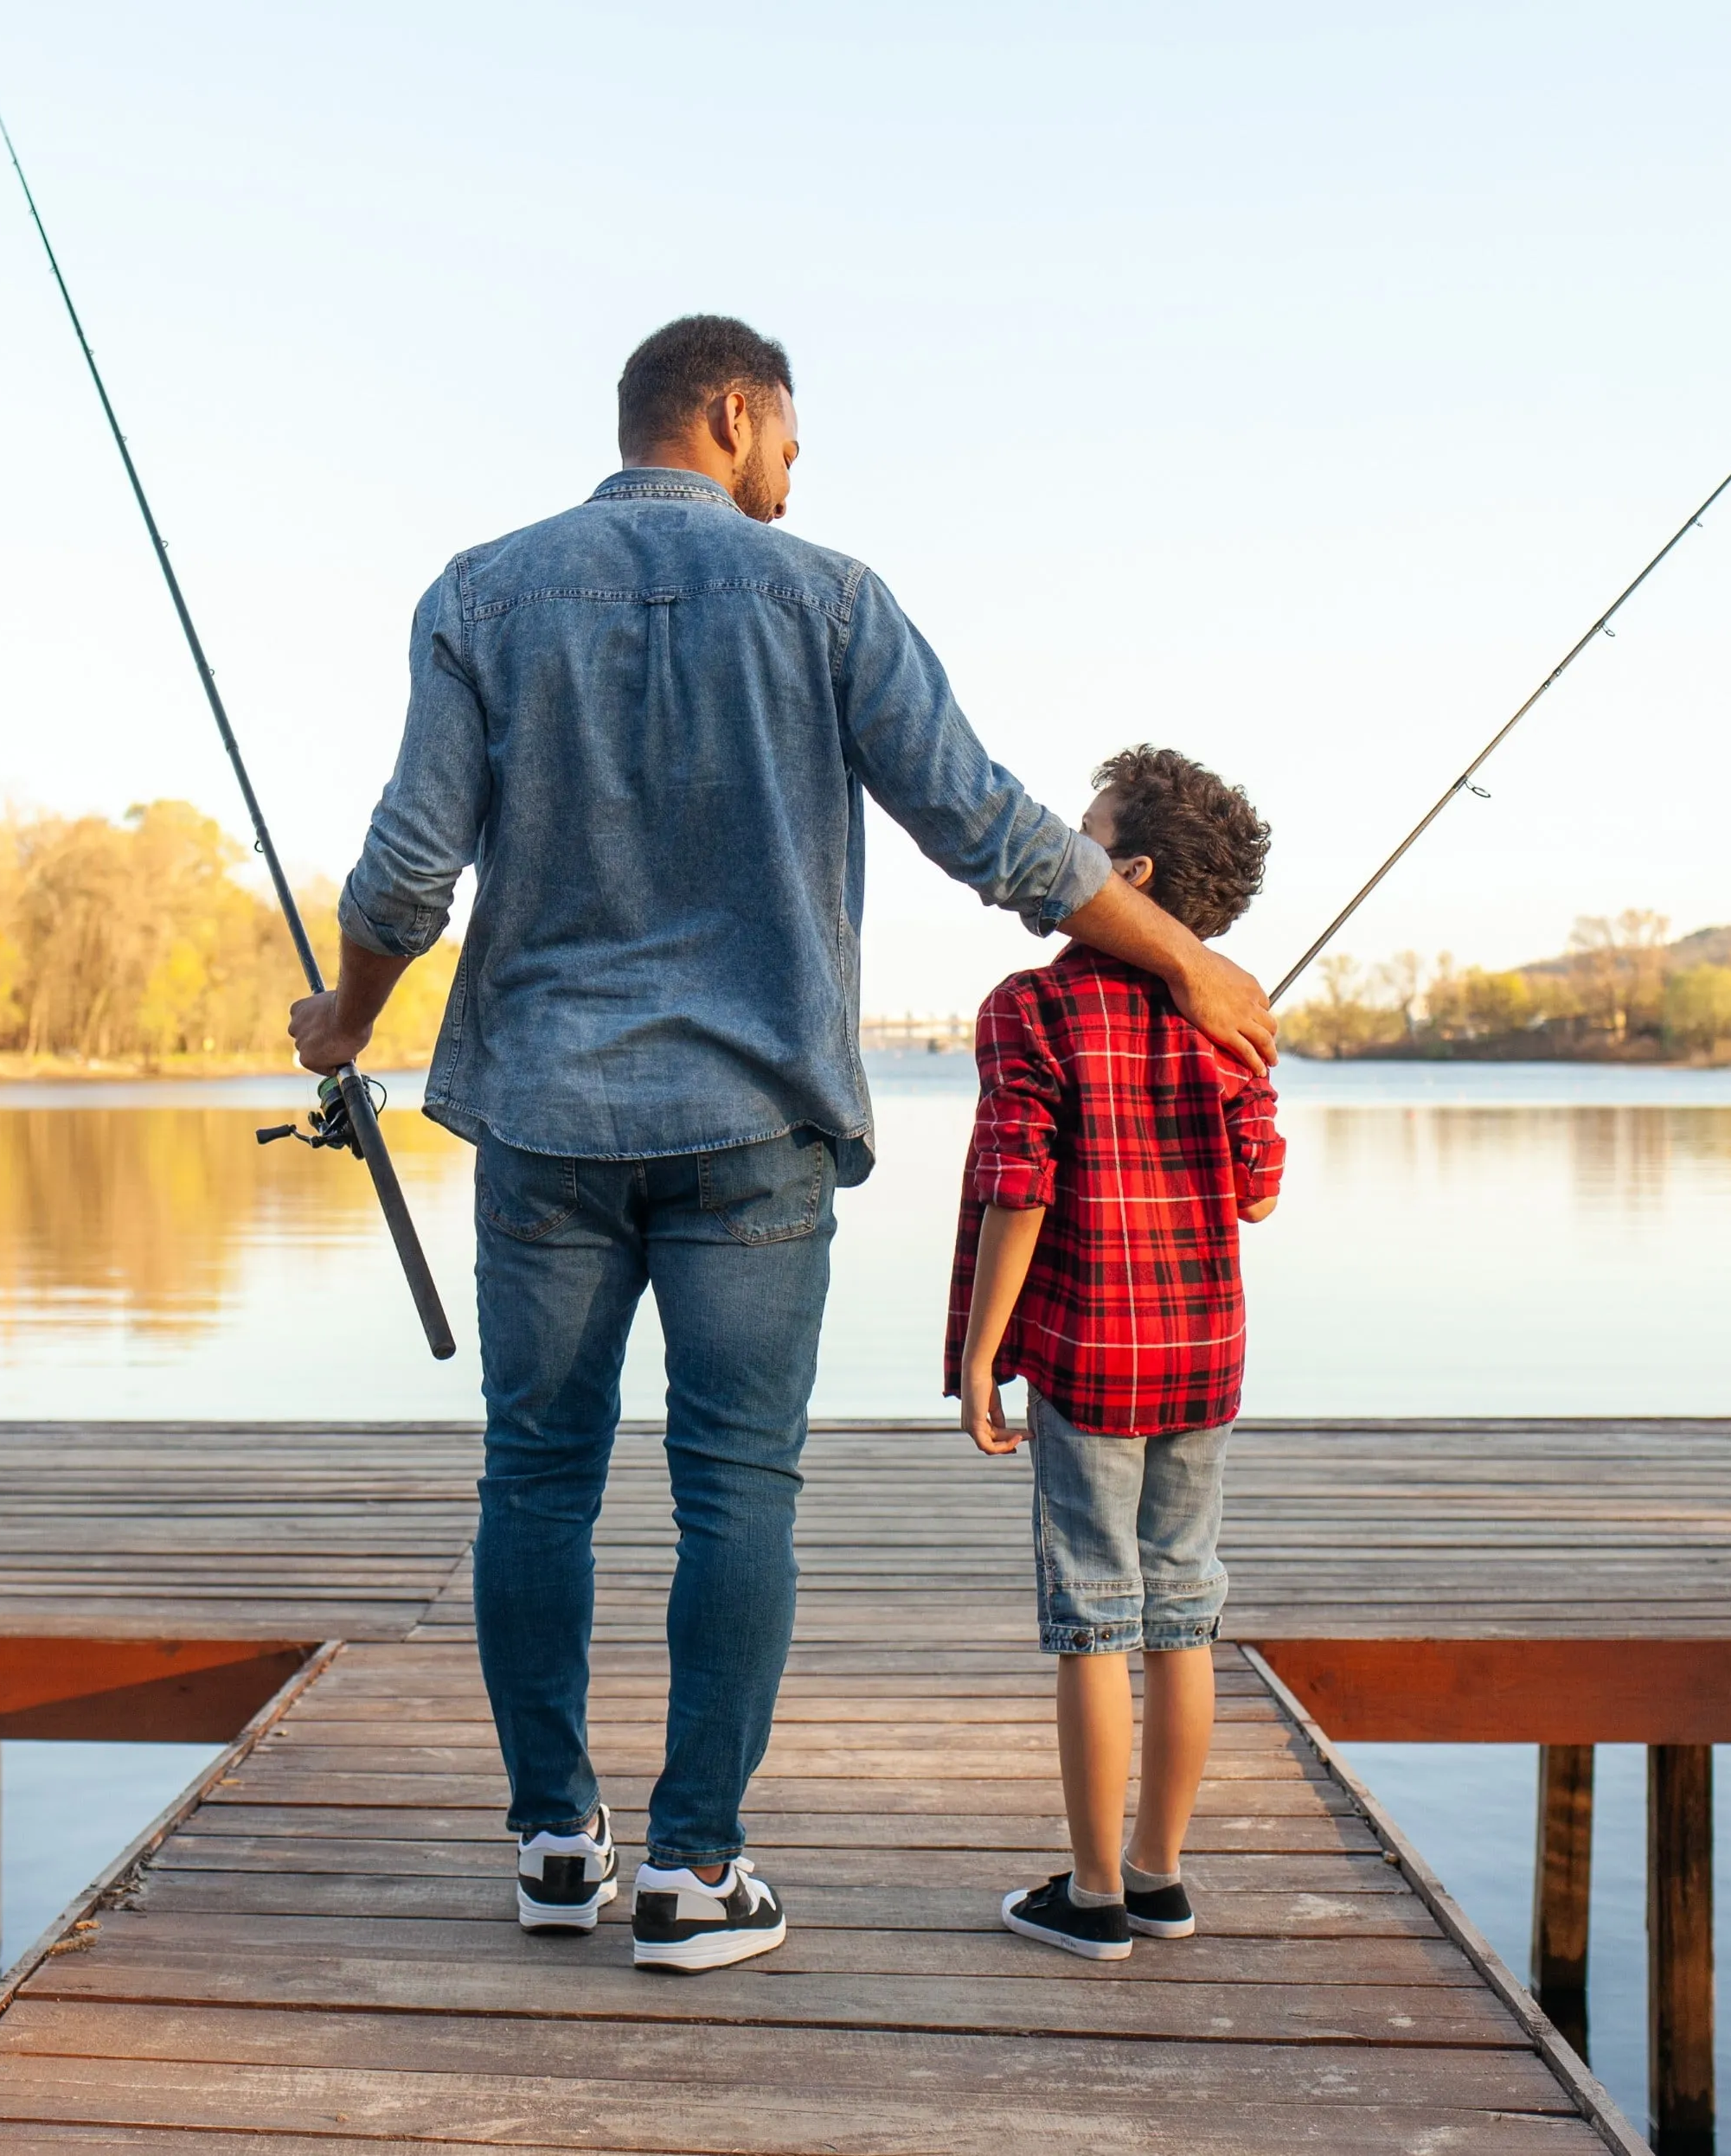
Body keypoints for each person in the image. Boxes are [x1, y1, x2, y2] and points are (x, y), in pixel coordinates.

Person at [290, 317, 1276, 1972]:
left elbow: (405, 873)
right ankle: (690, 1871)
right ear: (732, 411)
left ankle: (551, 1840)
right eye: (791, 446)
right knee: (735, 1493)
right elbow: (990, 824)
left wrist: (350, 1014)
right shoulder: (827, 601)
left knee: (534, 1477)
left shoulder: (477, 594)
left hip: (542, 1119)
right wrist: (1185, 958)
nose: (793, 477)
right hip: (755, 1124)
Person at [946, 745, 1281, 1961]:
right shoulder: (1229, 1021)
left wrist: (983, 1352)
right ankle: (1160, 1876)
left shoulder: (1029, 1009)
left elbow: (1015, 1192)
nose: (1064, 855)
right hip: (1202, 1355)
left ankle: (1090, 1898)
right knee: (1181, 1610)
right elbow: (1255, 1194)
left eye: (1083, 839)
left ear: (1127, 873)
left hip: (1090, 1356)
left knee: (1094, 1614)